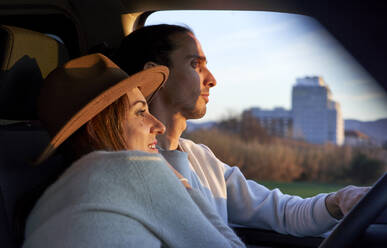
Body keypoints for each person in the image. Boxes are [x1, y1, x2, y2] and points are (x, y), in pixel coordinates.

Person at [113, 24, 370, 237]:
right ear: (157, 75)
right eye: (195, 65)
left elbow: (281, 212)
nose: (212, 79)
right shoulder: (122, 169)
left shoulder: (202, 159)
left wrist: (338, 201)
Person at [23, 53, 245, 247]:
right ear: (95, 128)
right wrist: (181, 182)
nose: (159, 126)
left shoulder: (48, 199)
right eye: (140, 113)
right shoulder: (135, 173)